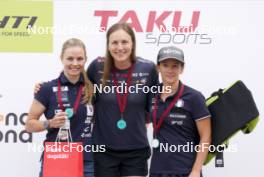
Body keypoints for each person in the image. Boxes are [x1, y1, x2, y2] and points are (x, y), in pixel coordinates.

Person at [87, 22, 158, 177]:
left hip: (136, 150)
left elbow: (152, 106)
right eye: (114, 42)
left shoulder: (148, 69)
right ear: (108, 45)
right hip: (103, 150)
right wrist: (45, 86)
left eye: (124, 42)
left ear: (132, 43)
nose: (120, 47)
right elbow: (77, 86)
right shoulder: (96, 67)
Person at [25, 38, 95, 177]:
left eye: (79, 59)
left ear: (85, 60)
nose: (75, 63)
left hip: (87, 161)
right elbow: (29, 125)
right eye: (70, 58)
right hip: (57, 157)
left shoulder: (93, 88)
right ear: (61, 58)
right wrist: (50, 123)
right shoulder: (46, 88)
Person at [149, 46, 211, 177]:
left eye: (175, 66)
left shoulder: (194, 97)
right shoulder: (150, 94)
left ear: (182, 68)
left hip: (186, 171)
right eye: (165, 65)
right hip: (157, 170)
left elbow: (206, 136)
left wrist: (195, 171)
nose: (170, 70)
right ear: (158, 67)